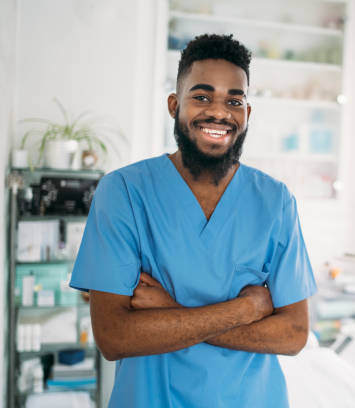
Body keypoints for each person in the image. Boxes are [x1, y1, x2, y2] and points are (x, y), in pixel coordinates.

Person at [70, 34, 317, 407]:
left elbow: (294, 334)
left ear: (247, 113)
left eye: (234, 101)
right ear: (174, 105)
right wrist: (245, 309)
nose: (219, 112)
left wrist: (170, 313)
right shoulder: (123, 192)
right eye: (201, 97)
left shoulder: (275, 201)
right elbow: (114, 337)